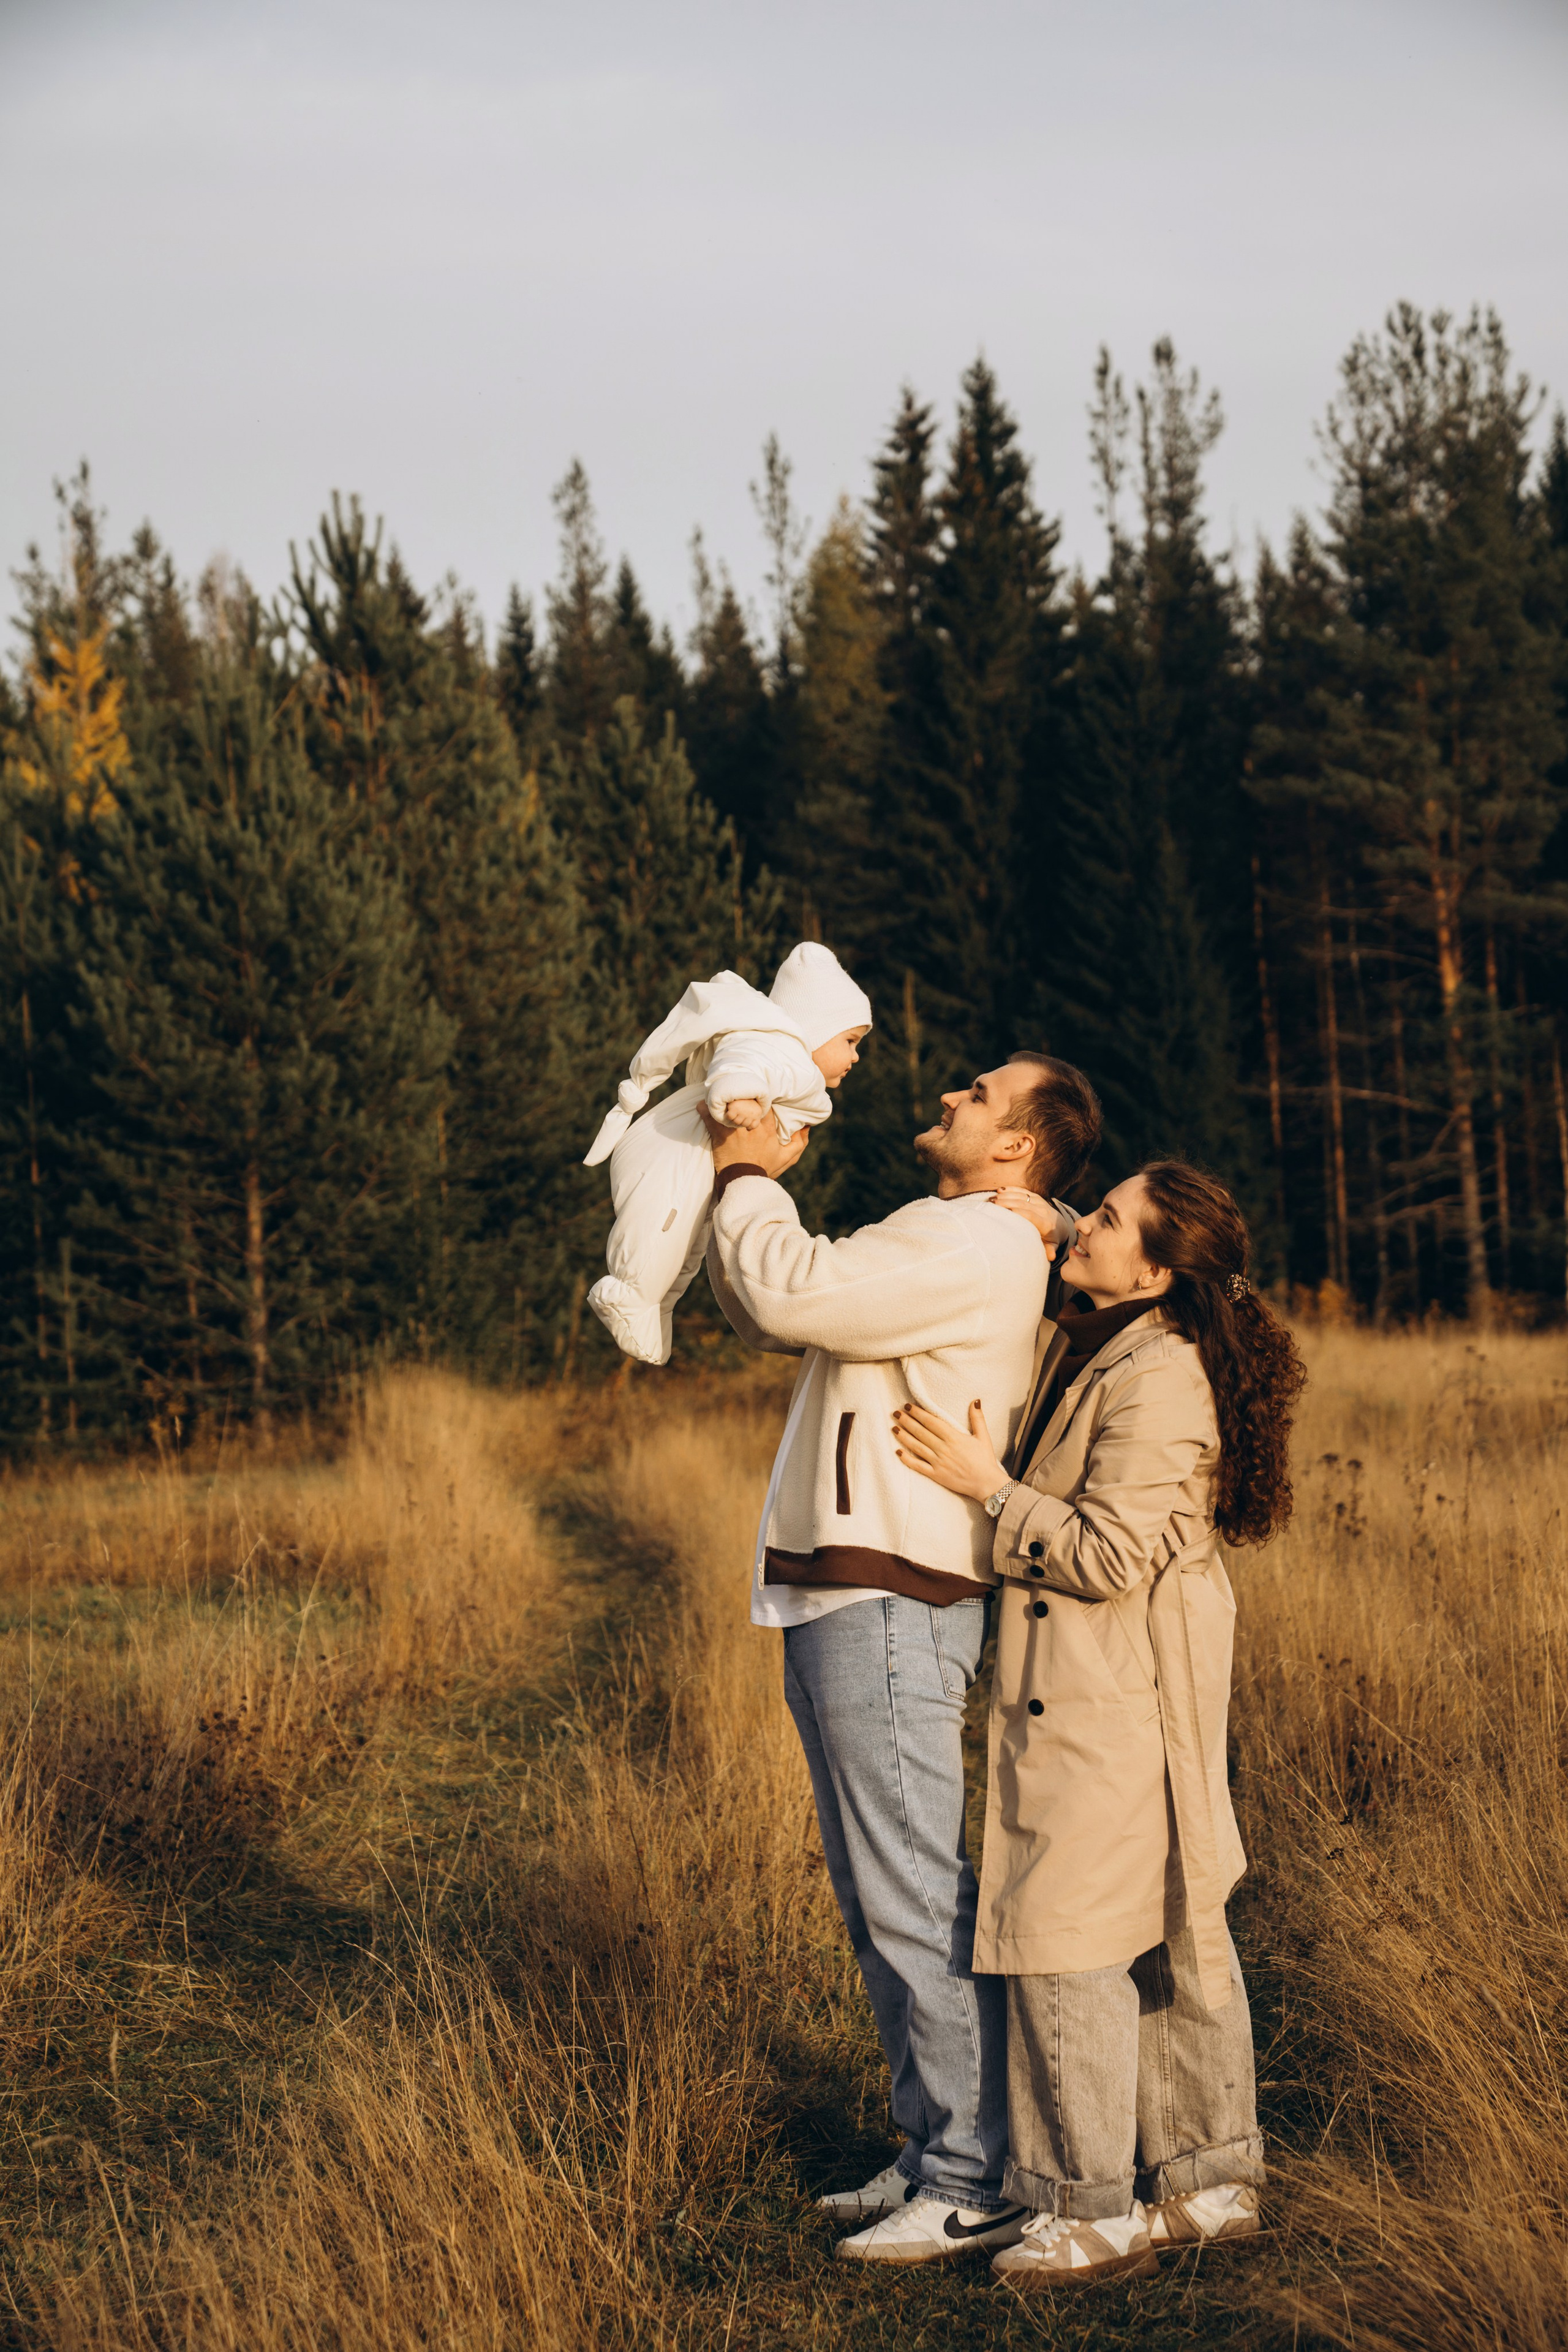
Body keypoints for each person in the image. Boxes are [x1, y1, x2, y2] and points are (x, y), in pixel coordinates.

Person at [705, 1054, 1101, 2265]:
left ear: (1016, 1152)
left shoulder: (971, 1240)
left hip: (890, 1590)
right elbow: (767, 1298)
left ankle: (973, 2172)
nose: (946, 1097)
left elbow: (787, 1290)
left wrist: (743, 1170)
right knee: (881, 1887)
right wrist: (743, 1201)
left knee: (911, 1888)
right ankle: (933, 2141)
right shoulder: (958, 1229)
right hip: (860, 1585)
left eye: (977, 1096)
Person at [893, 1160, 1306, 2286]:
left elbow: (1109, 1554)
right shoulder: (1130, 1336)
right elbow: (1110, 1248)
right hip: (1113, 1687)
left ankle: (1091, 2207)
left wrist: (990, 1487)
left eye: (1110, 1219)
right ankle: (1207, 2185)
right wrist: (1066, 1221)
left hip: (1108, 1694)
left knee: (1069, 1938)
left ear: (1160, 1271)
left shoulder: (1160, 1375)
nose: (1090, 1225)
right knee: (1160, 1926)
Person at [583, 941, 871, 1364]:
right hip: (672, 1151)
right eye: (850, 1040)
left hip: (697, 1157)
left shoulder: (793, 1068)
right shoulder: (780, 1049)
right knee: (663, 1227)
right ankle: (627, 1295)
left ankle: (657, 1307)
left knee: (690, 1244)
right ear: (814, 1028)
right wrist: (740, 1098)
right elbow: (742, 1062)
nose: (856, 1055)